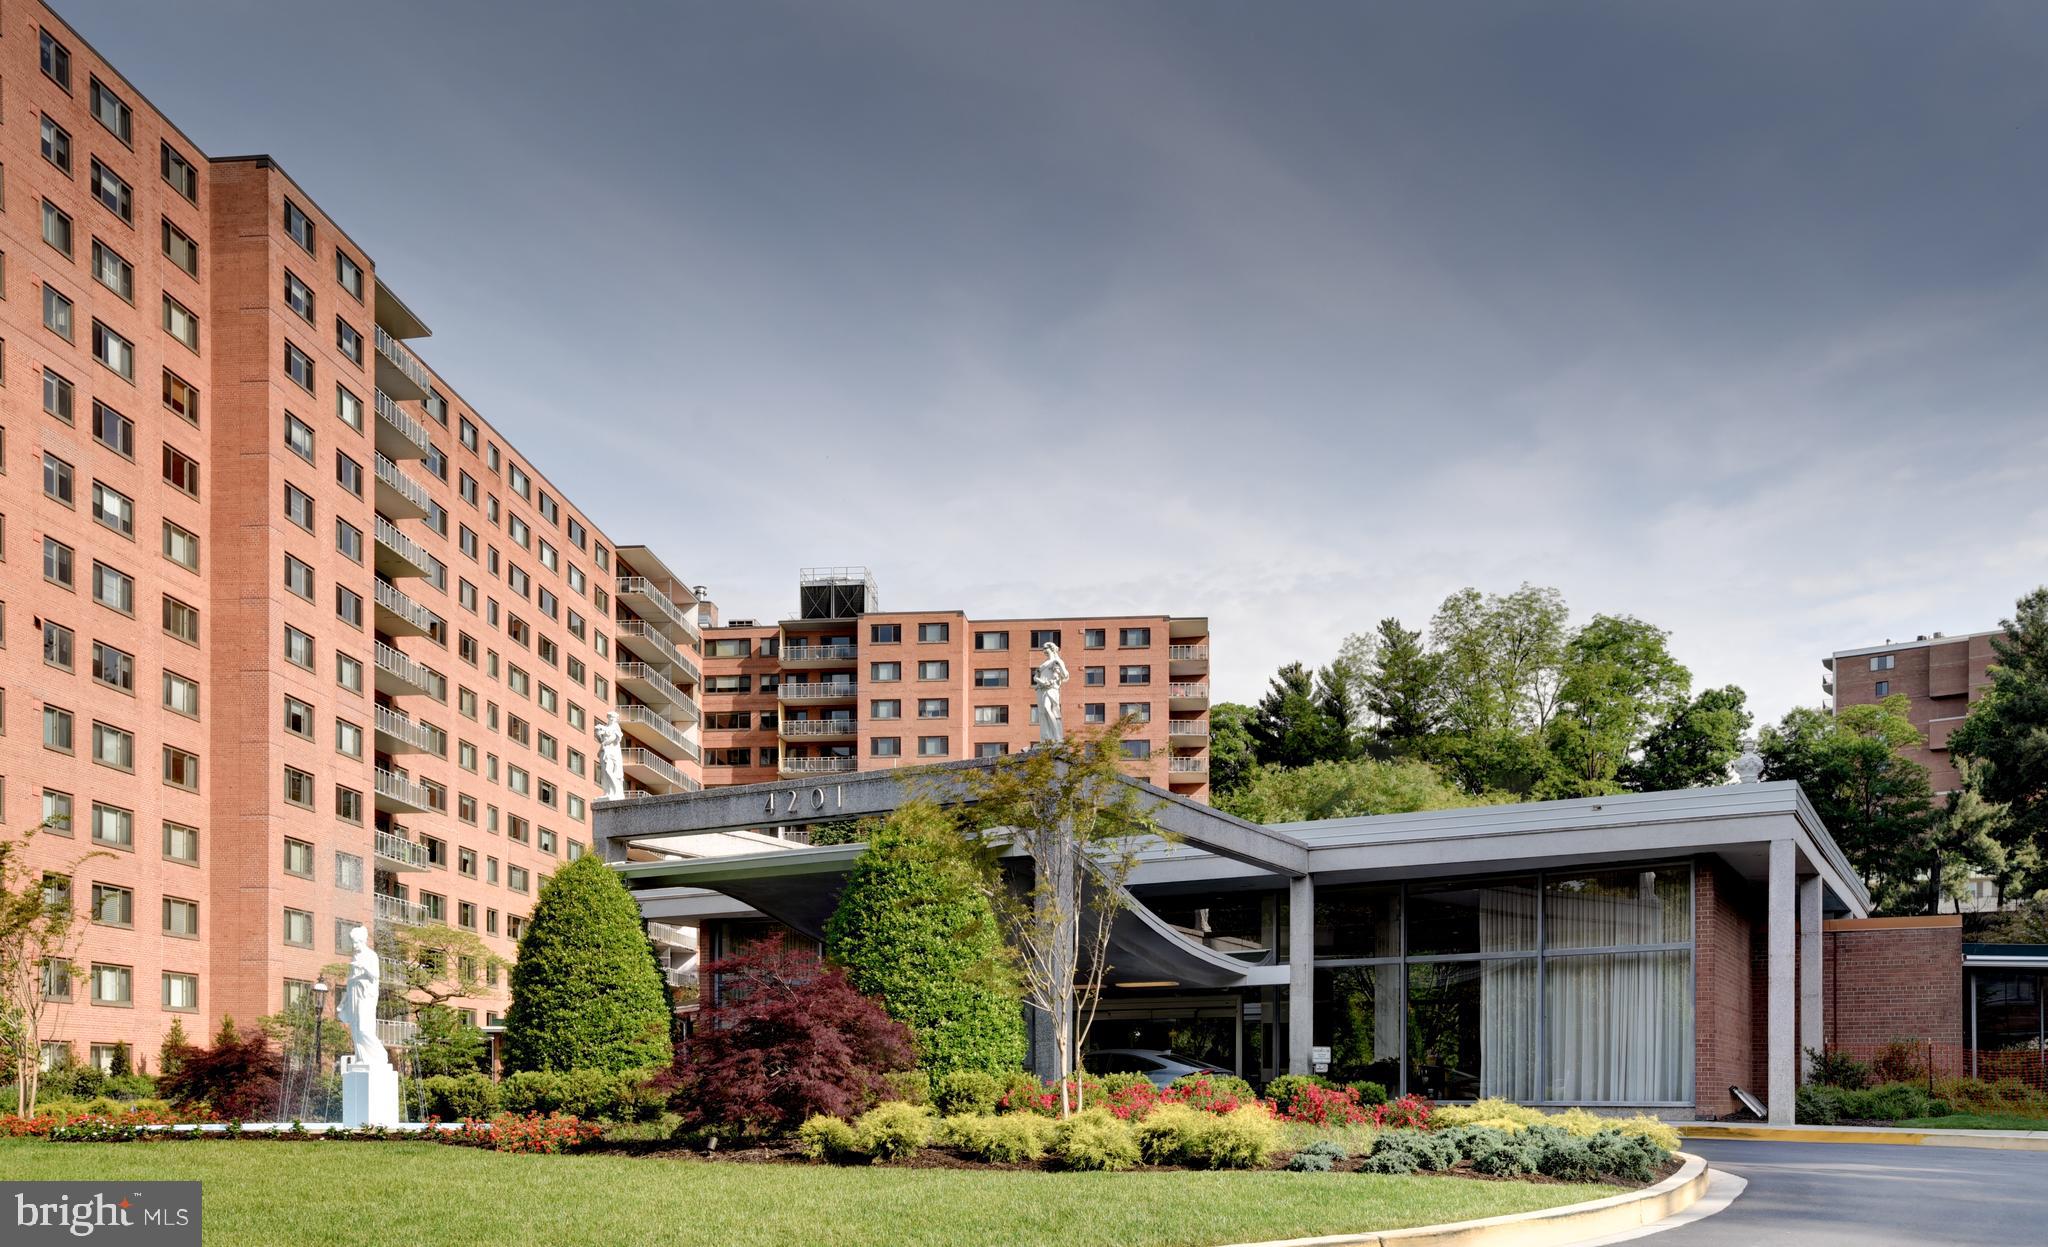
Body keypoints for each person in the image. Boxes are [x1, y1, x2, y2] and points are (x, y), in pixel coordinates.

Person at [337, 925, 387, 1068]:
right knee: (355, 1028)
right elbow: (350, 981)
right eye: (353, 942)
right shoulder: (355, 956)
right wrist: (343, 1001)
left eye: (356, 942)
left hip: (366, 996)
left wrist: (363, 965)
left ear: (363, 941)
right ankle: (361, 1058)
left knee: (364, 1028)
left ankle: (380, 1055)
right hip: (354, 994)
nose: (354, 945)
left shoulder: (371, 955)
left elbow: (376, 975)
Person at [1032, 641, 1070, 745]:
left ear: (1052, 648)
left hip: (1051, 689)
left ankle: (1057, 737)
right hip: (1041, 690)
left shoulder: (1056, 661)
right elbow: (1036, 677)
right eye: (1043, 649)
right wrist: (1039, 680)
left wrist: (1060, 667)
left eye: (1045, 648)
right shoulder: (1043, 664)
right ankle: (1047, 738)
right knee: (1043, 713)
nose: (1044, 651)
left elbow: (1066, 675)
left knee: (1048, 709)